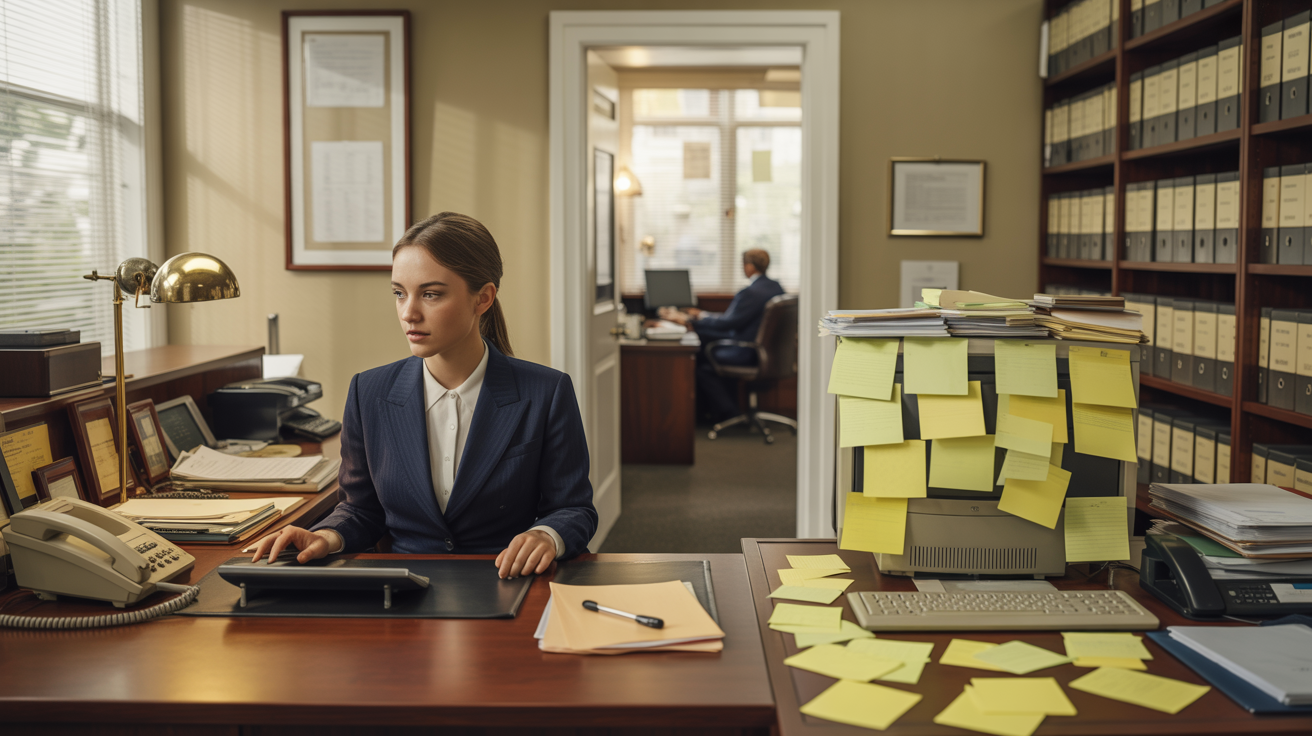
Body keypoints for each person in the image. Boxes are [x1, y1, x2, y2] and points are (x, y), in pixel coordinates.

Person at [247, 212, 597, 579]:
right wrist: (326, 536)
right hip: (404, 595)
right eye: (399, 293)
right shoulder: (368, 393)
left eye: (431, 294)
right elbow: (360, 510)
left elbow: (575, 509)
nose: (409, 312)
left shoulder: (546, 391)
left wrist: (546, 535)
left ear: (483, 298)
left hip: (506, 584)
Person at [659, 249, 784, 423]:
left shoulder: (751, 292)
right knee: (705, 346)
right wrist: (701, 315)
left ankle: (727, 413)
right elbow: (732, 320)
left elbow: (728, 323)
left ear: (748, 266)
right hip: (767, 351)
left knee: (701, 361)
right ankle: (724, 412)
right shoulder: (775, 287)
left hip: (746, 351)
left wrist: (689, 321)